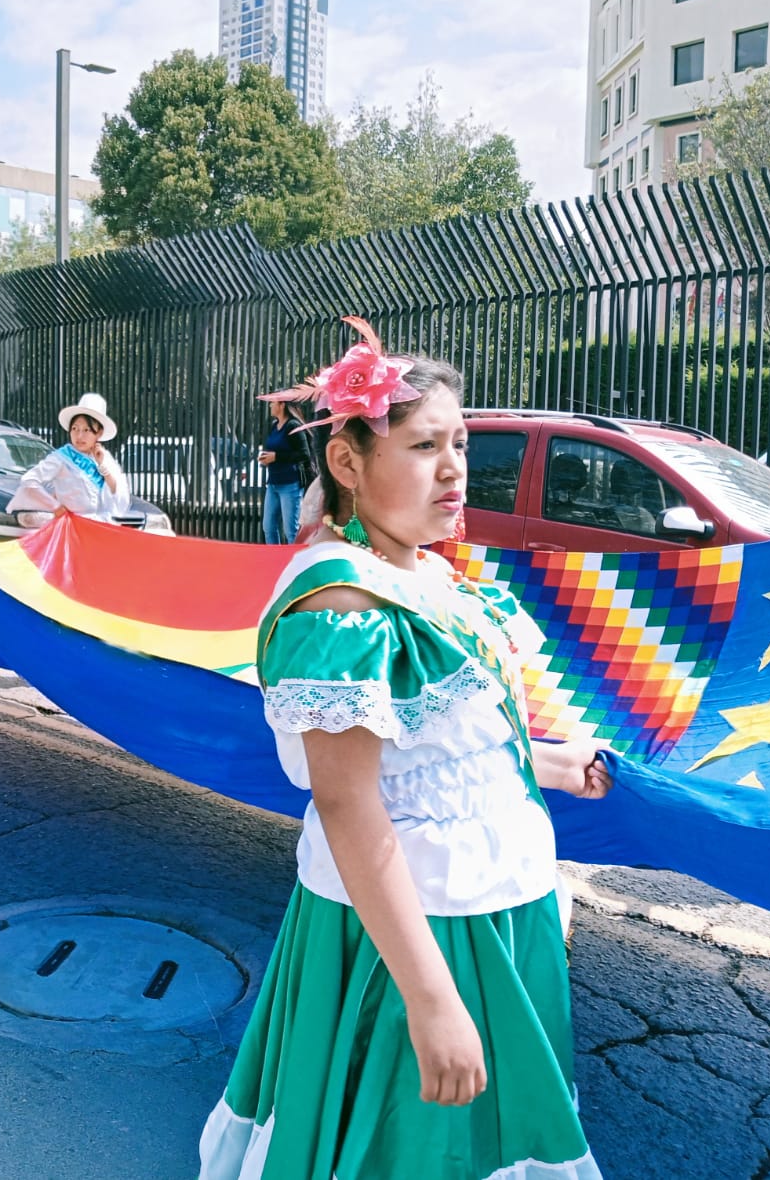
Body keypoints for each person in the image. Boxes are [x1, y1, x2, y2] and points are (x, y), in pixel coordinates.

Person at [199, 320, 609, 1180]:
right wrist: (430, 999)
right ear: (347, 463)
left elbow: (440, 750)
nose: (455, 467)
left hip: (495, 907)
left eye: (460, 442)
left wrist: (546, 762)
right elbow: (350, 802)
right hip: (413, 935)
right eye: (424, 444)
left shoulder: (429, 574)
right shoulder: (339, 602)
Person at [7, 392, 132, 524]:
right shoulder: (61, 458)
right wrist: (55, 506)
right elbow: (29, 480)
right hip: (71, 527)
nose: (79, 436)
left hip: (99, 527)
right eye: (75, 428)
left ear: (99, 432)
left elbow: (116, 493)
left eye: (87, 430)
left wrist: (102, 466)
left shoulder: (104, 458)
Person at [258, 396, 313, 544]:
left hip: (290, 485)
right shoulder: (274, 425)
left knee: (291, 531)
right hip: (273, 483)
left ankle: (295, 563)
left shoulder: (293, 426)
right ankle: (274, 562)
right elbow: (274, 450)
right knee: (268, 527)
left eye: (273, 403)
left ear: (282, 405)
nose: (270, 406)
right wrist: (267, 459)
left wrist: (277, 457)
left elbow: (304, 454)